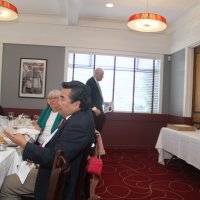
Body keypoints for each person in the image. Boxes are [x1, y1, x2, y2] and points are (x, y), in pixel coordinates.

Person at [0, 80, 95, 200]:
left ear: (76, 104)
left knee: (7, 183)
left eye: (62, 99)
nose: (58, 103)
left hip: (58, 182)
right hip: (60, 172)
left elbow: (53, 158)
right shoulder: (79, 117)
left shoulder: (78, 125)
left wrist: (24, 144)